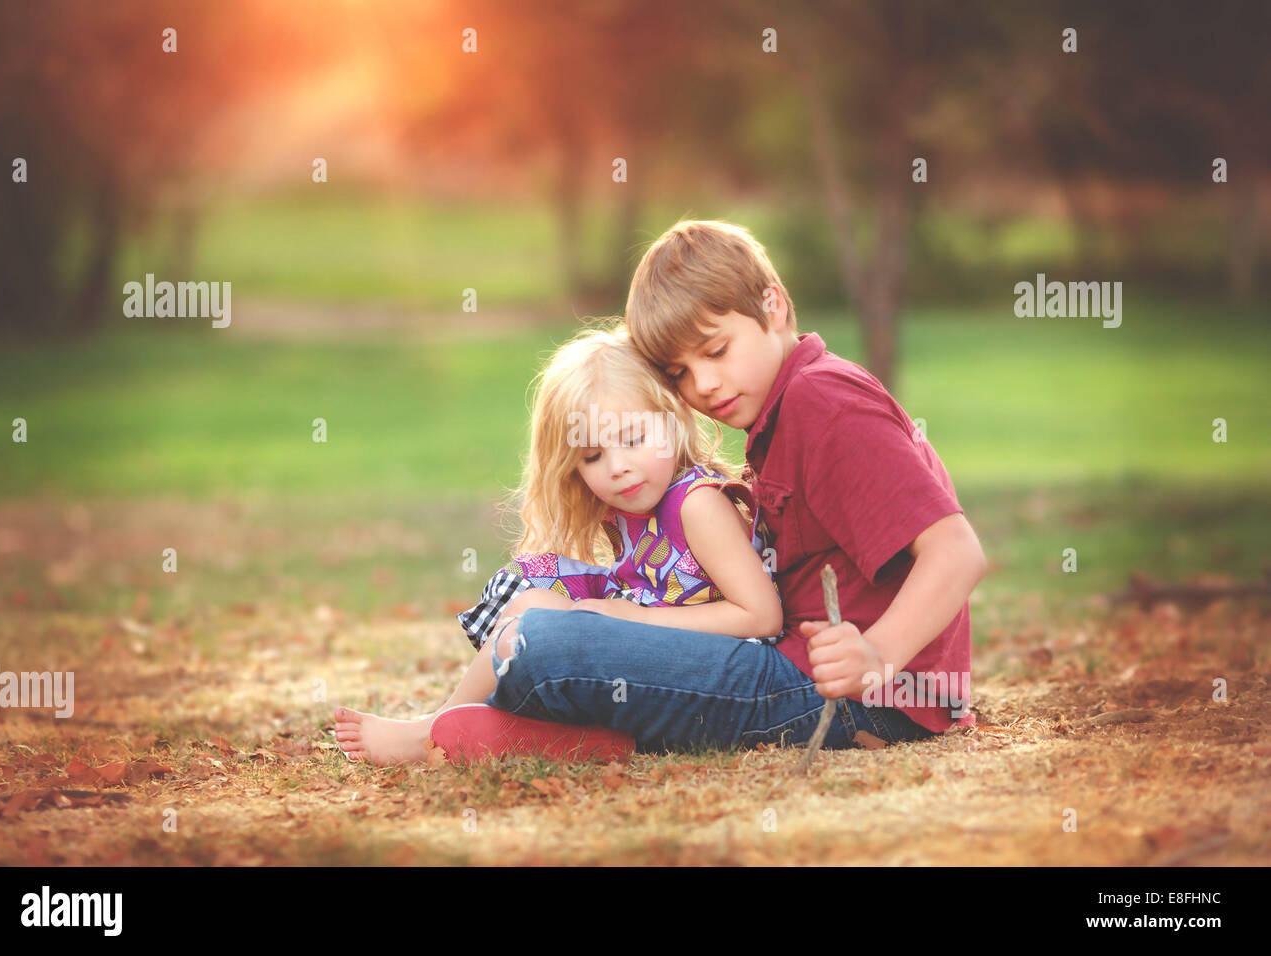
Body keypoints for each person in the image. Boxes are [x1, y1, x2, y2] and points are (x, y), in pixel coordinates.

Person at [431, 219, 987, 756]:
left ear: (773, 305)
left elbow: (956, 553)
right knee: (538, 618)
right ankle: (563, 739)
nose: (705, 385)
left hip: (855, 698)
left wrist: (878, 655)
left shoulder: (825, 403)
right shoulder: (780, 415)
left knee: (545, 640)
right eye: (679, 373)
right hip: (797, 671)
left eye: (716, 351)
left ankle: (449, 730)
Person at [334, 321, 783, 764]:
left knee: (546, 626)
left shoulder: (697, 505)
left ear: (671, 422)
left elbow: (761, 617)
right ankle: (535, 731)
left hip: (723, 672)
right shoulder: (634, 510)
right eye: (592, 455)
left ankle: (429, 734)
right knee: (531, 601)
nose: (618, 467)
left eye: (632, 439)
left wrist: (637, 617)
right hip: (663, 655)